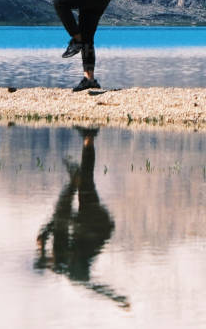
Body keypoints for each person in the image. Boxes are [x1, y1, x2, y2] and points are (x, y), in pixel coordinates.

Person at [34, 127, 129, 309]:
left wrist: (42, 238)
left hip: (85, 222)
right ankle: (88, 141)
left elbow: (55, 223)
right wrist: (118, 299)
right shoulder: (75, 273)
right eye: (49, 258)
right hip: (97, 226)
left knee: (86, 182)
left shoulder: (58, 255)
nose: (50, 256)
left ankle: (88, 140)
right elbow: (96, 288)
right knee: (84, 185)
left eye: (48, 258)